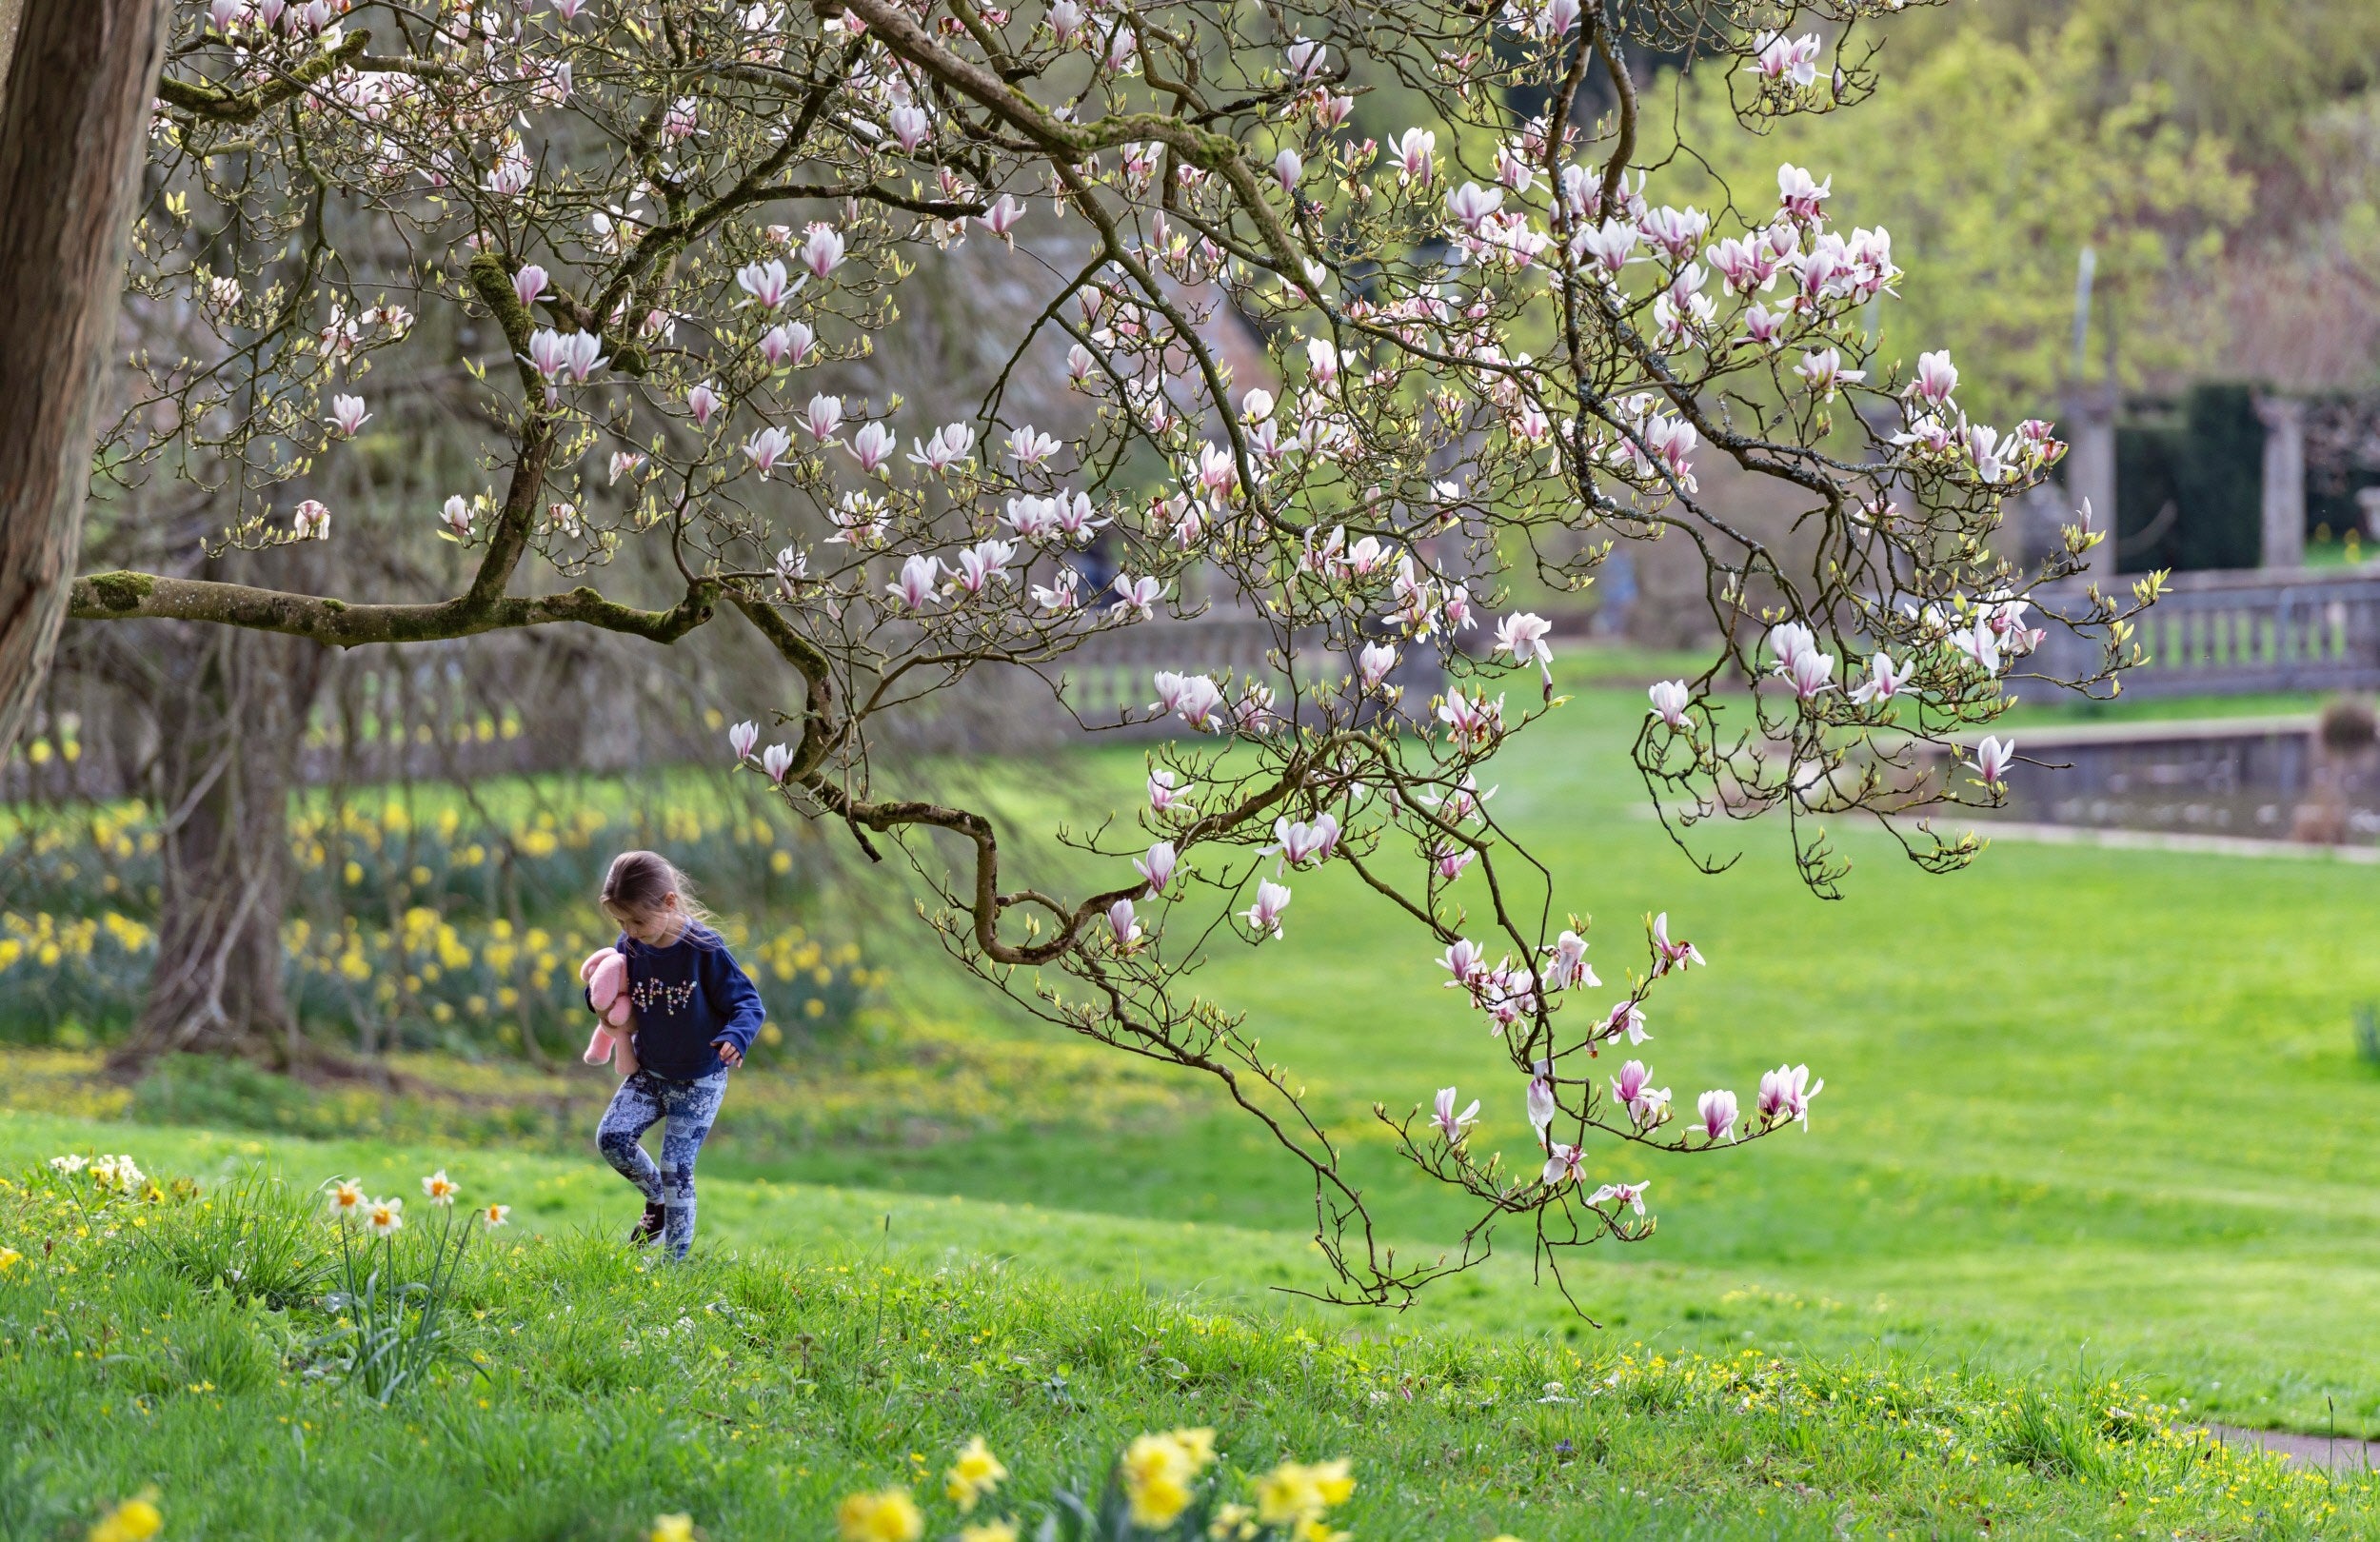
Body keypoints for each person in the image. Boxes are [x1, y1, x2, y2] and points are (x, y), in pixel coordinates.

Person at [587, 849, 764, 1258]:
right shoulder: (632, 946)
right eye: (621, 922)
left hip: (699, 1078)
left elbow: (749, 1004)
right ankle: (658, 1204)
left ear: (669, 902)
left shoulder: (704, 950)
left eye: (637, 921)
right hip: (650, 1072)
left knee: (676, 1169)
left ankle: (675, 1268)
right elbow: (614, 991)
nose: (629, 931)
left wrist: (736, 1037)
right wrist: (596, 997)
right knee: (612, 1138)